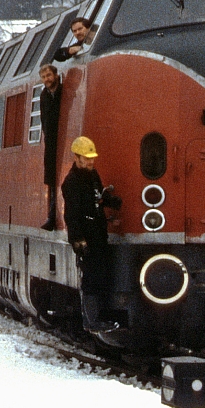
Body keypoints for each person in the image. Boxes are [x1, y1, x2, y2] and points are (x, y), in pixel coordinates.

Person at [61, 137, 126, 346]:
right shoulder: (71, 183)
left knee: (101, 276)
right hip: (87, 237)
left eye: (92, 158)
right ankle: (91, 321)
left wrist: (110, 202)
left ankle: (100, 318)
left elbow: (98, 197)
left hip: (99, 234)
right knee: (90, 279)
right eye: (86, 158)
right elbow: (71, 215)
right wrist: (78, 241)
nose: (90, 162)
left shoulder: (92, 175)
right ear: (77, 157)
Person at [38, 63, 62, 230]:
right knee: (53, 179)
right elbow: (44, 120)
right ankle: (52, 215)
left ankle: (54, 214)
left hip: (62, 138)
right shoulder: (44, 95)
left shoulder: (63, 90)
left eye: (49, 75)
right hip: (51, 142)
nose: (47, 79)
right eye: (44, 77)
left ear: (55, 75)